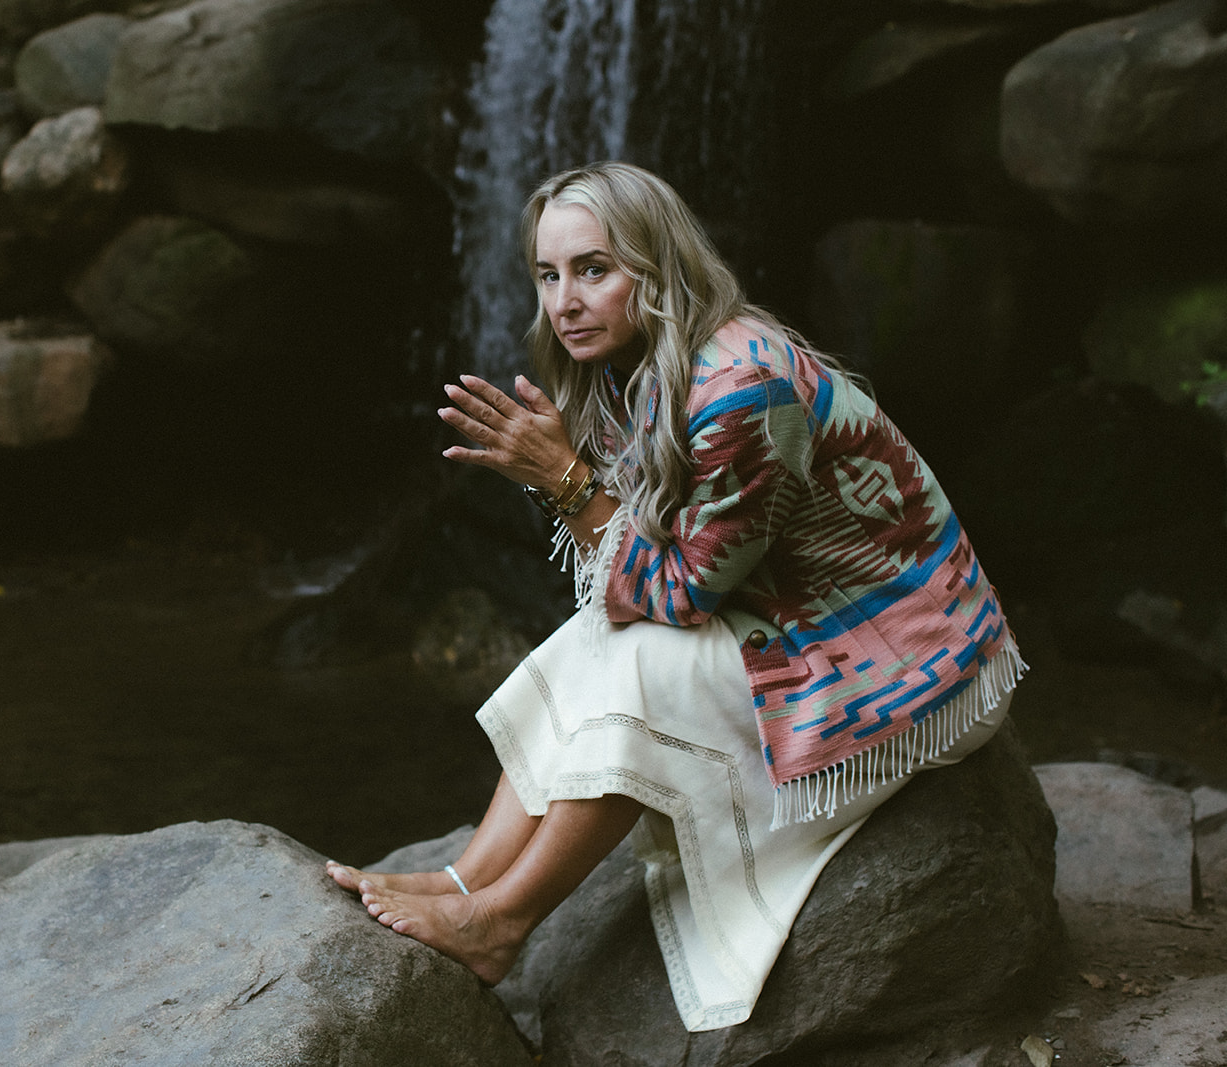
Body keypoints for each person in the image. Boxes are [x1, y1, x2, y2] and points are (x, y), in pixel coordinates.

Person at [326, 161, 1025, 1031]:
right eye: (549, 275)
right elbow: (634, 571)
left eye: (593, 269)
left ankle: (499, 923)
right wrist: (573, 482)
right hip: (794, 613)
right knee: (602, 636)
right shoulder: (651, 365)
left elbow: (682, 590)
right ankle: (471, 876)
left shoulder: (743, 388)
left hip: (920, 668)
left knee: (645, 662)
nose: (565, 301)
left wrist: (566, 477)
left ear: (657, 270)